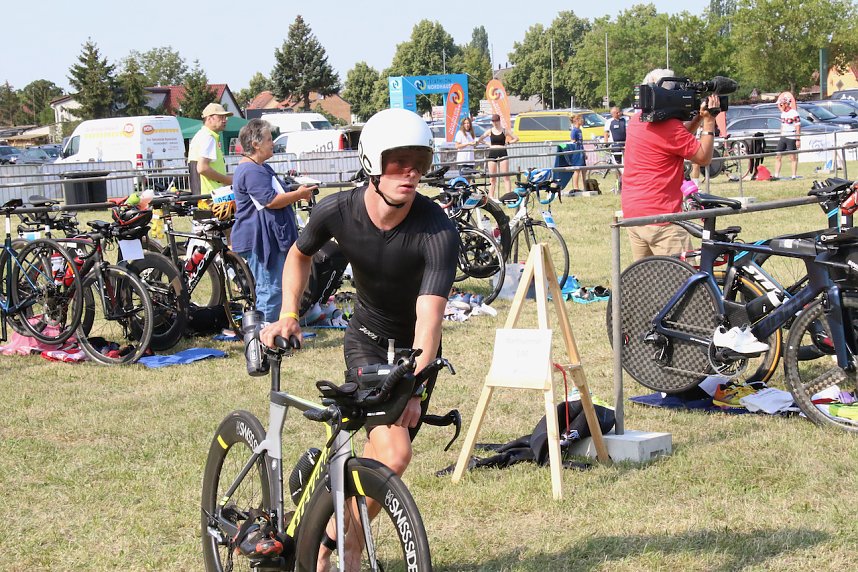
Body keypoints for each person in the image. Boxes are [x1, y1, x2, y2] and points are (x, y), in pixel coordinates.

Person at [260, 108, 458, 568]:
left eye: (421, 162)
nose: (410, 174)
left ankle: (334, 535)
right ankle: (342, 540)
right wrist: (289, 313)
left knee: (384, 454)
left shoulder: (438, 231)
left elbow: (429, 320)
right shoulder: (338, 209)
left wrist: (415, 383)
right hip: (367, 340)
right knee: (395, 451)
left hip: (414, 354)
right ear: (371, 162)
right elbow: (298, 254)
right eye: (398, 161)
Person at [621, 68, 719, 261]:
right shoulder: (669, 127)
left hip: (635, 215)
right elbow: (703, 158)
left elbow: (676, 141)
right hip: (662, 219)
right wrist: (709, 122)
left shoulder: (636, 120)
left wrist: (698, 117)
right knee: (686, 283)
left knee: (648, 283)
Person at [231, 119, 317, 322]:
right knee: (271, 289)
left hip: (269, 237)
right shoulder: (251, 170)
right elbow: (270, 200)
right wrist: (299, 195)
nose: (273, 144)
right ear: (255, 144)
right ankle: (266, 337)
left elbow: (277, 192)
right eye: (269, 139)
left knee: (278, 286)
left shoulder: (260, 167)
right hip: (260, 240)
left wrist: (297, 190)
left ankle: (278, 330)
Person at [188, 102, 233, 196]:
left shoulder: (201, 135)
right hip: (211, 195)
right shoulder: (208, 137)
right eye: (220, 117)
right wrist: (228, 180)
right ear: (209, 118)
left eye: (225, 117)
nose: (225, 120)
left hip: (203, 194)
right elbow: (202, 168)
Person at [476, 113, 519, 199]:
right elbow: (480, 139)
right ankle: (491, 197)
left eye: (496, 121)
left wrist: (508, 143)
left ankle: (509, 196)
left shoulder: (504, 130)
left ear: (499, 121)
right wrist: (488, 144)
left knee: (506, 176)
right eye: (493, 121)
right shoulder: (490, 131)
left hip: (502, 152)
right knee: (492, 178)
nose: (495, 123)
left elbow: (516, 138)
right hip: (493, 152)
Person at [773, 92, 801, 180]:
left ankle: (793, 175)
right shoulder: (783, 114)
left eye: (781, 104)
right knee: (778, 155)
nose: (780, 106)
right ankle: (776, 174)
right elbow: (782, 125)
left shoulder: (794, 113)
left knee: (792, 157)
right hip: (783, 136)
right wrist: (781, 135)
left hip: (791, 136)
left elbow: (798, 127)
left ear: (786, 104)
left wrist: (797, 139)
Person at [604, 106, 627, 190]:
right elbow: (606, 133)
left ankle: (624, 182)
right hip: (615, 145)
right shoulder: (609, 121)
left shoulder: (624, 120)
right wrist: (606, 143)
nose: (617, 114)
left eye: (618, 112)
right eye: (615, 113)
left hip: (624, 145)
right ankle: (618, 182)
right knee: (617, 166)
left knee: (625, 165)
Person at [569, 114, 586, 192]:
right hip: (577, 153)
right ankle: (576, 188)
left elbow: (581, 143)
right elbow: (573, 142)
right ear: (576, 121)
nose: (582, 121)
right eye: (580, 119)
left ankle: (585, 187)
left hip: (581, 152)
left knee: (584, 169)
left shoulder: (580, 130)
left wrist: (584, 153)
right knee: (577, 170)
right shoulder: (574, 131)